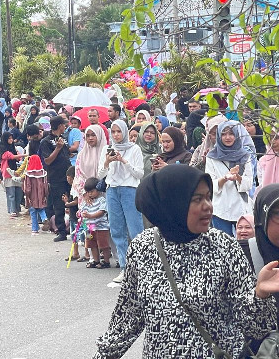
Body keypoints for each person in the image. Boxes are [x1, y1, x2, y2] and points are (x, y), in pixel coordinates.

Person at [94, 164, 277, 359]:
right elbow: (127, 319)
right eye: (197, 199)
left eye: (208, 196)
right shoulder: (143, 247)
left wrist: (260, 295)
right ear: (172, 202)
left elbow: (256, 328)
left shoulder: (225, 247)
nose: (208, 206)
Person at [98, 119, 144, 284]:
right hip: (112, 190)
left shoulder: (134, 148)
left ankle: (140, 268)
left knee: (135, 230)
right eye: (114, 132)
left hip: (129, 190)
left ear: (124, 132)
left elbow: (139, 173)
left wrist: (124, 161)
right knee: (117, 230)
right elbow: (100, 174)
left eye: (119, 131)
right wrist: (107, 162)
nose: (116, 135)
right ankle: (125, 268)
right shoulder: (107, 148)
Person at [205, 120, 253, 236]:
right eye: (223, 134)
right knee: (222, 243)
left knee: (244, 242)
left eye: (231, 134)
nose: (228, 137)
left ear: (236, 135)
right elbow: (210, 184)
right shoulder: (212, 157)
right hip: (221, 208)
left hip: (241, 207)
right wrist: (225, 178)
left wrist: (238, 177)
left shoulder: (244, 156)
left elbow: (249, 183)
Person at [38, 116, 72, 241]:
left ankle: (74, 229)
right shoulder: (46, 142)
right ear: (58, 126)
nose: (65, 127)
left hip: (68, 176)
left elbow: (67, 153)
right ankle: (61, 231)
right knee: (59, 205)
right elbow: (47, 160)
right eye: (63, 125)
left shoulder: (63, 139)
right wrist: (57, 148)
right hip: (56, 177)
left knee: (72, 201)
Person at [80, 177, 112, 269]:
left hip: (101, 227)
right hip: (90, 227)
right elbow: (82, 210)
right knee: (91, 244)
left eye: (92, 191)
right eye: (88, 192)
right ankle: (96, 260)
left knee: (104, 245)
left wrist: (90, 215)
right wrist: (82, 214)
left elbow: (102, 212)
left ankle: (106, 261)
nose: (90, 194)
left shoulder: (102, 199)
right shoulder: (87, 201)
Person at [0, 132, 25, 218]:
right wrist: (26, 155)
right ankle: (12, 210)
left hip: (16, 171)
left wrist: (19, 156)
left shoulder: (12, 147)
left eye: (12, 138)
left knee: (18, 192)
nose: (11, 140)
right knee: (11, 193)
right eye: (9, 138)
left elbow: (17, 157)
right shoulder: (3, 149)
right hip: (8, 173)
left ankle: (17, 209)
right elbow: (11, 156)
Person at [257, 128, 279, 193]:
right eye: (270, 138)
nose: (272, 142)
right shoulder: (263, 162)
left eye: (276, 138)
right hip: (268, 198)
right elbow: (261, 184)